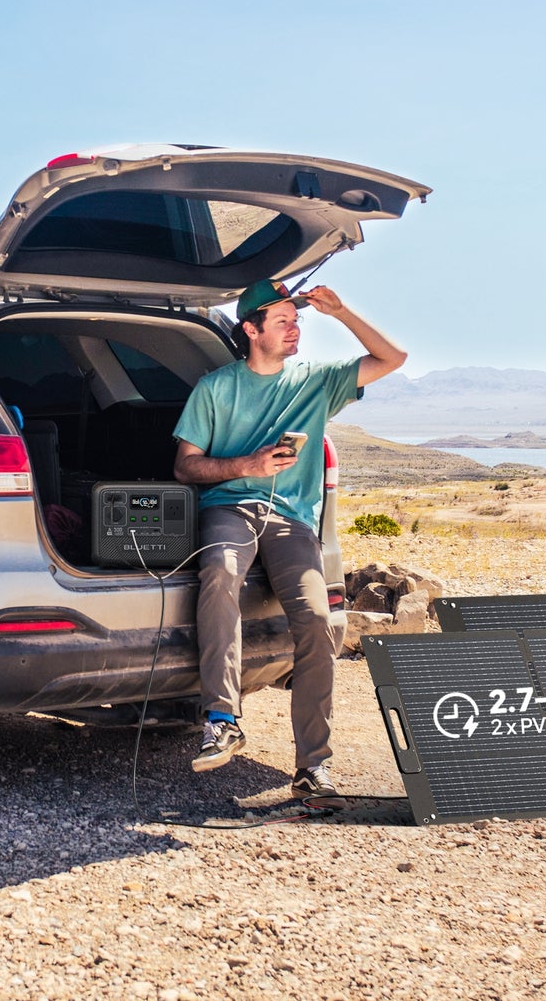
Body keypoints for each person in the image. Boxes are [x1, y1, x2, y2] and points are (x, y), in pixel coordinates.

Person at [172, 278, 407, 799]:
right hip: (228, 508)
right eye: (283, 320)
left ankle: (312, 765)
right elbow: (186, 468)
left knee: (320, 621)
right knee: (220, 575)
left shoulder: (318, 380)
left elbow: (393, 357)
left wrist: (342, 312)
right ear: (251, 329)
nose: (295, 328)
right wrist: (247, 465)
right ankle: (222, 719)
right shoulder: (215, 388)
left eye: (296, 319)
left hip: (292, 521)